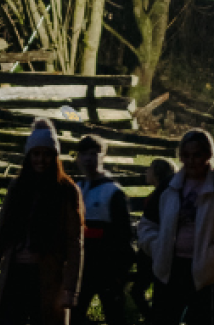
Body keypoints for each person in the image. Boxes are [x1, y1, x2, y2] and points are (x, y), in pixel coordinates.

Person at [137, 129, 214, 325]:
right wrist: (158, 248)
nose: (191, 161)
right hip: (169, 271)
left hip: (210, 276)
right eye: (186, 155)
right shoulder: (169, 186)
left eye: (197, 155)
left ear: (208, 155)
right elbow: (147, 224)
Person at [0, 119, 84, 325]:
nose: (41, 159)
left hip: (47, 276)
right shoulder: (18, 187)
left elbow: (74, 244)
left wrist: (69, 290)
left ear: (54, 157)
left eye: (46, 154)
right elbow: (0, 235)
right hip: (14, 273)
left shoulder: (66, 191)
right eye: (36, 154)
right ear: (28, 156)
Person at [72, 135, 133, 325]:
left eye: (94, 154)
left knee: (114, 315)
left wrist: (119, 271)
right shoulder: (77, 189)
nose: (89, 159)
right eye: (84, 154)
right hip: (82, 266)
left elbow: (123, 235)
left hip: (107, 267)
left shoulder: (112, 192)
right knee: (75, 314)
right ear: (78, 158)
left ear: (103, 156)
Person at [131, 158, 178, 322]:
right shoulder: (160, 194)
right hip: (155, 248)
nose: (146, 172)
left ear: (157, 172)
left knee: (139, 291)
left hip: (153, 251)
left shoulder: (160, 196)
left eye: (149, 169)